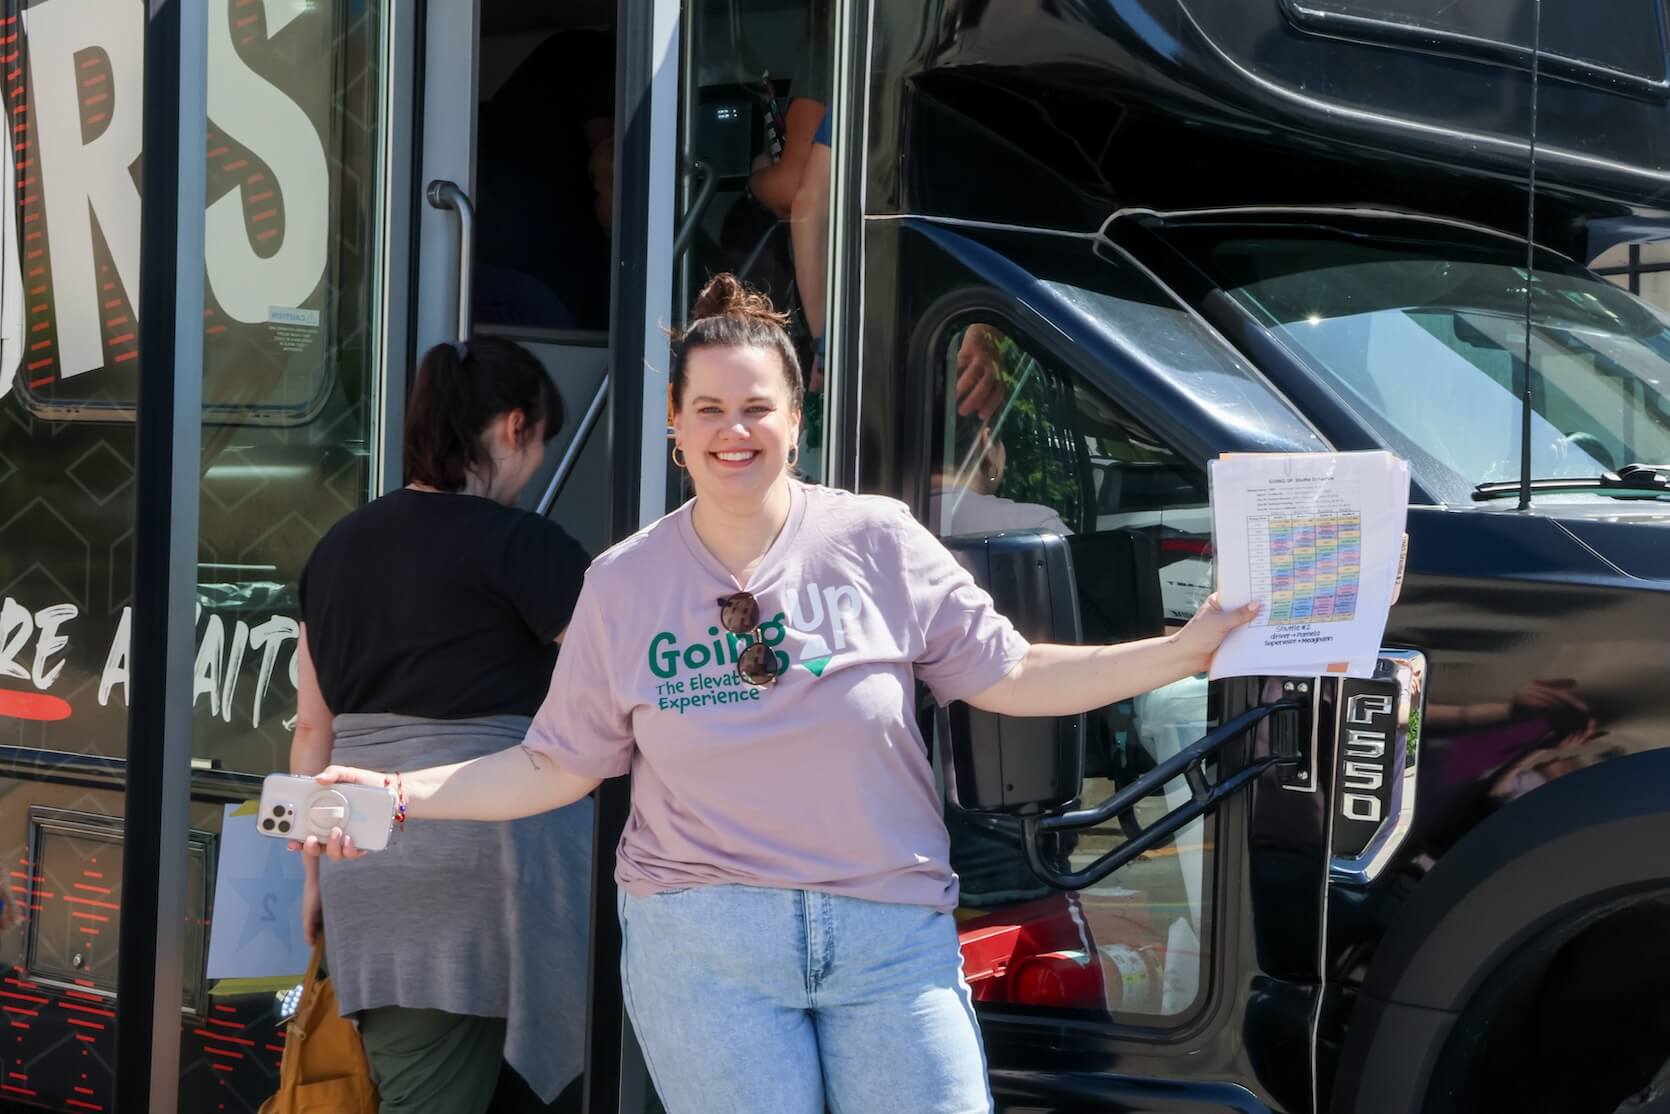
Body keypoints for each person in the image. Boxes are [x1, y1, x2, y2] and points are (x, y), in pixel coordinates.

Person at [299, 275, 1257, 1114]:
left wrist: (1187, 650)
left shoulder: (878, 541)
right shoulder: (625, 584)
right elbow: (555, 762)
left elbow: (1011, 671)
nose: (734, 430)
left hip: (889, 936)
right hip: (704, 945)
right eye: (708, 409)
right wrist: (405, 794)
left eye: (757, 407)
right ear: (674, 425)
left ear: (797, 421)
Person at [292, 337, 592, 1113]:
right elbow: (620, 685)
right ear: (516, 427)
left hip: (365, 861)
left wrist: (315, 876)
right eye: (542, 442)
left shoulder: (333, 551)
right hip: (495, 870)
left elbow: (311, 734)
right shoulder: (525, 546)